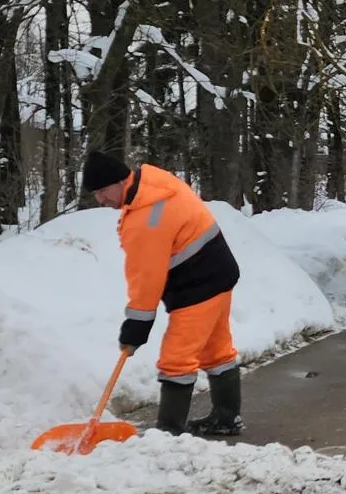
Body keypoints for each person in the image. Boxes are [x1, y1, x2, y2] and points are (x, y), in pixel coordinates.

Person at [82, 151, 244, 436]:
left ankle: (168, 434)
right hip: (218, 272)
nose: (100, 199)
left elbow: (146, 278)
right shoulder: (154, 184)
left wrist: (136, 326)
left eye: (103, 190)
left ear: (121, 182)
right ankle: (226, 417)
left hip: (199, 285)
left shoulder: (146, 219)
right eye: (96, 193)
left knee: (176, 359)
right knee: (216, 350)